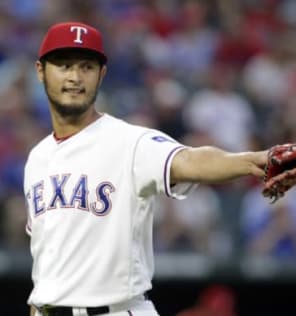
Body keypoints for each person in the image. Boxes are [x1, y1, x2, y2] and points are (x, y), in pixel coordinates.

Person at [24, 21, 268, 316]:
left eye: (86, 67)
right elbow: (45, 255)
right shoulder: (37, 159)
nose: (75, 77)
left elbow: (190, 160)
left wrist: (253, 160)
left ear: (101, 74)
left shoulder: (131, 142)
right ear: (41, 71)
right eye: (63, 66)